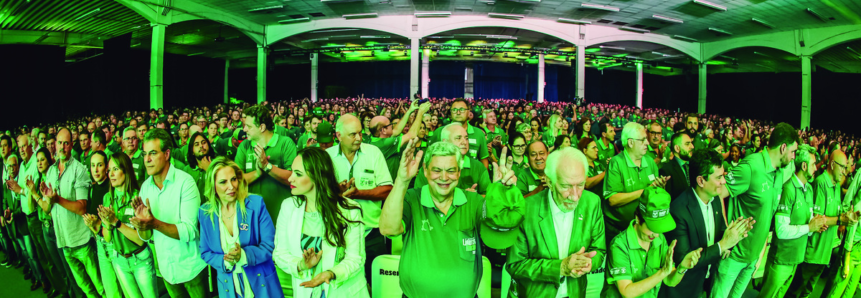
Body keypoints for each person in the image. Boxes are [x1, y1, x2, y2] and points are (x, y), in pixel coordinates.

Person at [379, 140, 523, 298]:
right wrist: (401, 181)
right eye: (436, 170)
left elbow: (498, 235)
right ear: (425, 170)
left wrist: (502, 195)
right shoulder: (411, 198)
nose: (444, 177)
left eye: (451, 170)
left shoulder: (473, 201)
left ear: (459, 172)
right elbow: (388, 229)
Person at [711, 122, 799, 298]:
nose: (793, 157)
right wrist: (725, 232)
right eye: (792, 152)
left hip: (753, 257)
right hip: (734, 256)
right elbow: (717, 193)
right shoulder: (751, 167)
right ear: (783, 148)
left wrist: (760, 253)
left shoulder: (779, 172)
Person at [507, 147, 606, 298]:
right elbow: (515, 265)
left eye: (580, 185)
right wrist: (561, 267)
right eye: (566, 186)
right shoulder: (526, 209)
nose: (575, 196)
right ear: (549, 182)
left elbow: (599, 251)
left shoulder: (592, 203)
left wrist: (588, 263)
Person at [273, 147, 368, 298]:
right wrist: (301, 265)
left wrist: (331, 273)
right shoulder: (288, 207)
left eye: (298, 174)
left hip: (343, 292)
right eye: (292, 172)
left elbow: (355, 258)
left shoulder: (350, 210)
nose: (290, 178)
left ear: (317, 177)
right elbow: (279, 253)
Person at [661, 149, 753, 298]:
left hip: (708, 280)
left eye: (723, 176)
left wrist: (735, 234)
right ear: (701, 181)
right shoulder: (679, 211)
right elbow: (685, 261)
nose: (723, 181)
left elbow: (722, 232)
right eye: (718, 177)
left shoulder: (715, 198)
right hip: (686, 289)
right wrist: (722, 245)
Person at [129, 128, 208, 298]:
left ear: (166, 154)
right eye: (144, 154)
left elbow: (189, 231)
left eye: (152, 153)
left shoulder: (185, 182)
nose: (147, 160)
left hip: (191, 269)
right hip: (166, 270)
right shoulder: (145, 188)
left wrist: (154, 223)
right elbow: (146, 236)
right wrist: (142, 225)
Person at [199, 157, 283, 298]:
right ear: (212, 185)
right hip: (228, 288)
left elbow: (270, 245)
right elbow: (205, 252)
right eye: (223, 182)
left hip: (262, 283)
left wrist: (243, 255)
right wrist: (225, 261)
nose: (231, 186)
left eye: (233, 179)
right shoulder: (205, 213)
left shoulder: (255, 204)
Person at [325, 114, 393, 286]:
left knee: (379, 285)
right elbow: (319, 193)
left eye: (360, 133)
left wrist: (358, 193)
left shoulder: (373, 153)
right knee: (343, 284)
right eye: (353, 134)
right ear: (338, 136)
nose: (358, 138)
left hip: (371, 234)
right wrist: (336, 192)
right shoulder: (327, 156)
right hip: (338, 235)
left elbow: (387, 189)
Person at [38, 128, 105, 298]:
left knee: (101, 287)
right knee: (86, 288)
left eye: (66, 143)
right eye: (59, 143)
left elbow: (82, 207)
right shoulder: (51, 171)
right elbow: (48, 207)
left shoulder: (80, 170)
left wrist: (57, 199)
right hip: (64, 242)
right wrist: (38, 194)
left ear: (71, 145)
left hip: (81, 241)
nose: (62, 147)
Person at [606, 187, 702, 298]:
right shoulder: (619, 245)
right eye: (652, 228)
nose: (656, 235)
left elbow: (670, 281)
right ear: (638, 218)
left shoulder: (660, 239)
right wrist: (662, 272)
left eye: (659, 229)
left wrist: (682, 268)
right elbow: (627, 292)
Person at [788, 149, 859, 298]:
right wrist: (840, 220)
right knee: (795, 291)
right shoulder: (821, 182)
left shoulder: (837, 186)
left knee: (807, 291)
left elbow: (835, 216)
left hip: (824, 254)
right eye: (842, 167)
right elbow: (819, 219)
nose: (845, 172)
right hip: (812, 253)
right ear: (832, 164)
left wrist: (844, 219)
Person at [757, 144, 823, 298]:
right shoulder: (788, 189)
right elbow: (781, 230)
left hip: (796, 259)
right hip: (781, 260)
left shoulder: (809, 189)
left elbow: (809, 221)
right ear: (804, 166)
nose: (815, 168)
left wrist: (816, 224)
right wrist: (809, 227)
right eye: (813, 164)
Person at [603, 122, 670, 242]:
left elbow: (654, 195)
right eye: (643, 140)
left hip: (644, 229)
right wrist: (645, 190)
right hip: (618, 230)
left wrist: (659, 188)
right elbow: (613, 200)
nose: (647, 143)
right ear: (630, 142)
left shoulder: (650, 162)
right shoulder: (616, 163)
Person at [236, 104, 297, 226]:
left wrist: (267, 166)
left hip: (280, 216)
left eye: (248, 126)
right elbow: (236, 180)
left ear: (262, 127)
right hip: (252, 217)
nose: (245, 129)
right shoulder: (245, 146)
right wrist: (258, 173)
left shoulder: (285, 143)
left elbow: (293, 179)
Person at [415, 123, 492, 194]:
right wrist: (460, 196)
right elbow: (418, 196)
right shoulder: (429, 167)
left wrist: (473, 198)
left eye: (466, 138)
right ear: (444, 142)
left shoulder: (478, 167)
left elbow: (488, 196)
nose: (464, 142)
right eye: (458, 138)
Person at [431, 99, 490, 168]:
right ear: (450, 113)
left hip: (472, 176)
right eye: (454, 110)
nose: (458, 112)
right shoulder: (439, 132)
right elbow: (431, 158)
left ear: (468, 112)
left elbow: (484, 161)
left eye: (462, 109)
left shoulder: (478, 133)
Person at [661, 132, 695, 199]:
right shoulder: (666, 171)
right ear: (677, 148)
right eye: (687, 144)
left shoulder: (694, 165)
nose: (692, 146)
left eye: (691, 143)